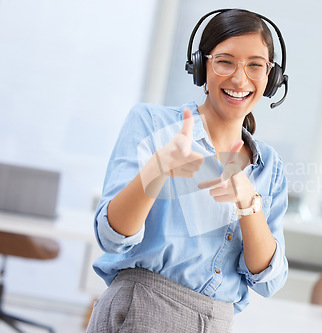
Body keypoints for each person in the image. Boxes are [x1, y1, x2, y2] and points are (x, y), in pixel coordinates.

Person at [86, 8, 289, 333]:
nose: (240, 78)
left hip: (218, 322)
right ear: (201, 67)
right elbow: (111, 237)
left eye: (255, 65)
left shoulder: (269, 167)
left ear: (271, 78)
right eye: (225, 61)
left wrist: (249, 202)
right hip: (143, 310)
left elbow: (269, 280)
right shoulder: (152, 124)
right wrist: (158, 169)